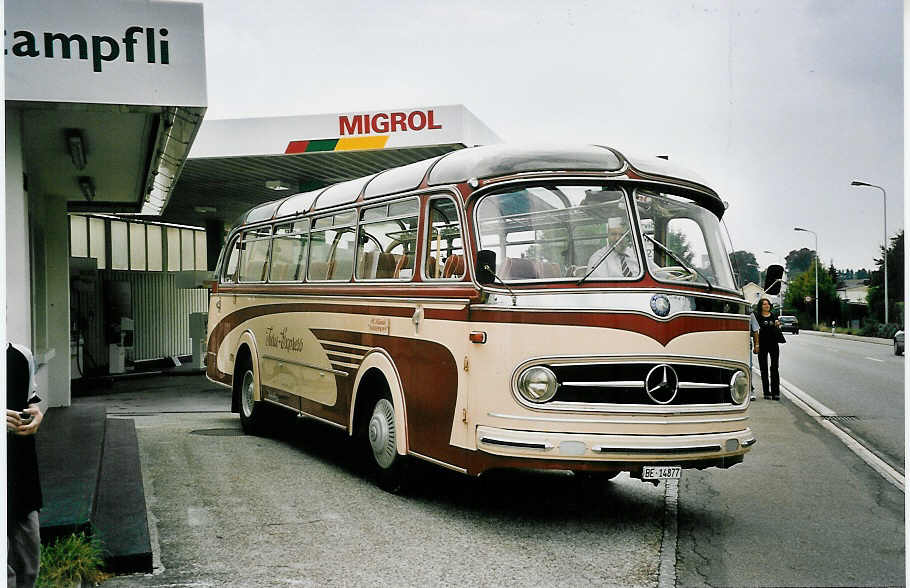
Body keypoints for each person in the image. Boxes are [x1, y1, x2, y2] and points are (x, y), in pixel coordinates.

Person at [7, 342, 44, 588]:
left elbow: (30, 400)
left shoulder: (22, 355)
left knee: (29, 567)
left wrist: (37, 413)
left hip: (21, 472)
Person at [753, 298, 782, 400]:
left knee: (774, 367)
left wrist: (778, 325)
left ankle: (776, 392)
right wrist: (756, 345)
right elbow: (755, 331)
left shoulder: (774, 316)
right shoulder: (757, 316)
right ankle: (766, 392)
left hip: (773, 344)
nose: (767, 306)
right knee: (763, 369)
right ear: (760, 306)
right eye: (764, 304)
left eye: (768, 304)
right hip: (762, 345)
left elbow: (777, 328)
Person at [749, 311, 760, 401]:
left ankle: (750, 390)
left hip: (746, 343)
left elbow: (755, 330)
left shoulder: (749, 313)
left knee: (748, 367)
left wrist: (757, 345)